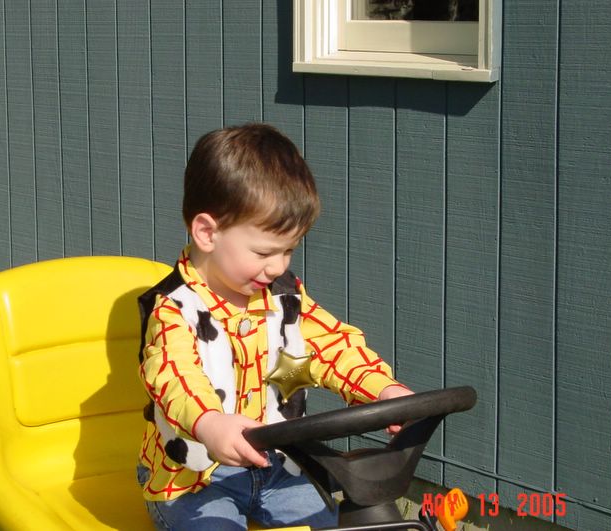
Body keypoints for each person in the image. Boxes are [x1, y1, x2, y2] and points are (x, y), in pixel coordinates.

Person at [136, 123, 413, 531]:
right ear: (207, 233)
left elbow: (331, 348)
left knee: (332, 523)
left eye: (289, 250)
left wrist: (383, 390)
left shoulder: (283, 298)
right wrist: (210, 424)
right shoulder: (175, 309)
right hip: (195, 481)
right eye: (264, 251)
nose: (278, 266)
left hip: (277, 467)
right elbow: (174, 376)